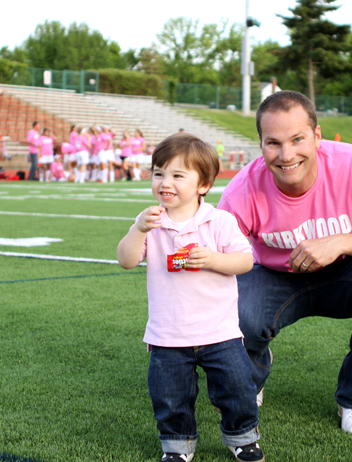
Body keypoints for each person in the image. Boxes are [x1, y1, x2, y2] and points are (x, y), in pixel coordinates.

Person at [218, 91, 352, 434]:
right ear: (261, 144)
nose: (287, 155)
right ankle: (255, 368)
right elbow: (218, 262)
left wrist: (339, 242)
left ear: (317, 136)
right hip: (274, 276)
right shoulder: (242, 190)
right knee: (234, 304)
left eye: (297, 139)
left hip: (345, 272)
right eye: (274, 143)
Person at [116, 133, 264, 462]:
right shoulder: (151, 222)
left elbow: (245, 260)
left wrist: (213, 259)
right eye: (159, 173)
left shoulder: (219, 221)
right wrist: (138, 229)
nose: (165, 182)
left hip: (219, 331)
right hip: (168, 333)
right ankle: (177, 445)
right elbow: (126, 260)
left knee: (237, 388)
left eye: (177, 175)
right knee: (170, 396)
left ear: (203, 184)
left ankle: (243, 438)